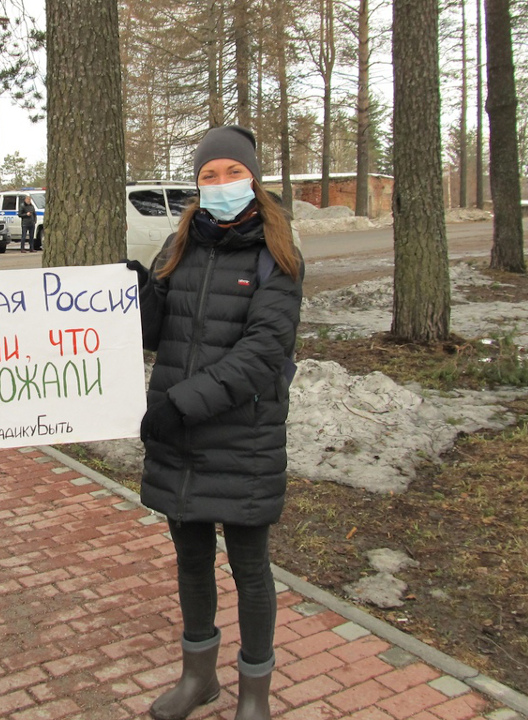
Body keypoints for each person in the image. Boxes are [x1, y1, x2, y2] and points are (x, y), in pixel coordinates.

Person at [130, 125, 303, 720]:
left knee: (250, 568)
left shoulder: (276, 255)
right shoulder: (178, 246)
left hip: (243, 439)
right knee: (191, 560)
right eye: (209, 175)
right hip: (182, 438)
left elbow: (262, 354)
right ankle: (198, 677)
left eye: (232, 172)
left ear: (253, 177)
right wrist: (138, 295)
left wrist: (181, 404)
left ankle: (254, 692)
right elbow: (155, 334)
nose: (221, 183)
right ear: (196, 184)